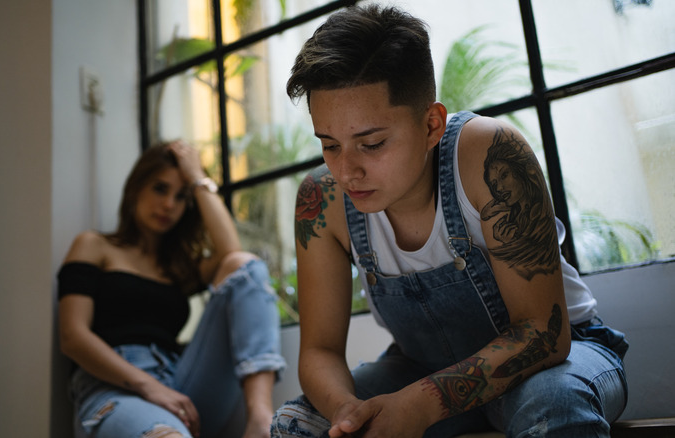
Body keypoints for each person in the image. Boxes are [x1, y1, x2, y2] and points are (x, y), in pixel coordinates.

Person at [272, 4, 628, 438]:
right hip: (420, 368)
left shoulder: (487, 155)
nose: (346, 171)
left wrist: (421, 404)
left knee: (554, 405)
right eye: (330, 145)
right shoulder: (321, 199)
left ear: (431, 125)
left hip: (557, 357)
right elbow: (320, 352)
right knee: (301, 424)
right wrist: (348, 414)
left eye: (372, 143)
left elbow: (545, 334)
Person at [58, 140, 286, 438]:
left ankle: (259, 420)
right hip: (114, 387)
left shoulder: (179, 268)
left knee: (245, 265)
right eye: (160, 189)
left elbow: (233, 255)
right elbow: (72, 337)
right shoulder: (94, 246)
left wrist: (198, 180)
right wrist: (148, 386)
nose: (169, 205)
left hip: (180, 383)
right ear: (136, 187)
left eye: (181, 197)